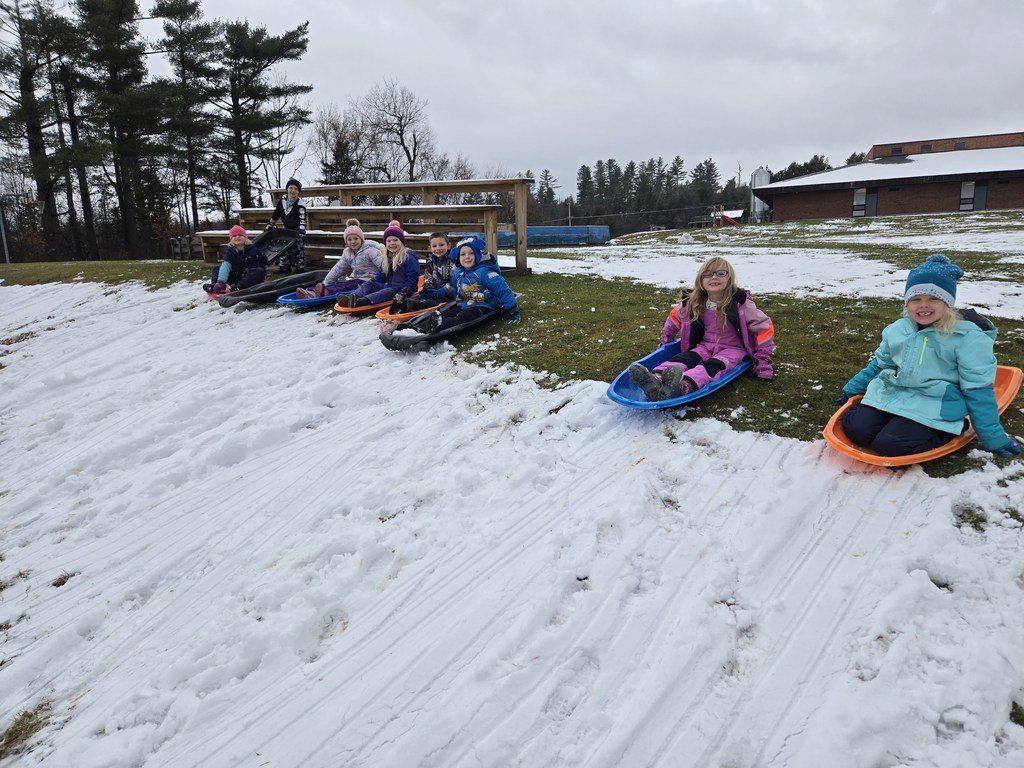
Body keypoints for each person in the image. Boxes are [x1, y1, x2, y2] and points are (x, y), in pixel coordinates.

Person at [839, 253, 1021, 457]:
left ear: (947, 303)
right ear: (907, 303)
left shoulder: (966, 338)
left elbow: (978, 390)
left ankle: (950, 429)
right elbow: (881, 365)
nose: (923, 305)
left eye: (934, 298)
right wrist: (852, 389)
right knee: (856, 430)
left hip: (935, 402)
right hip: (895, 393)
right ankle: (895, 423)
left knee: (889, 446)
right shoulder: (897, 330)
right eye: (916, 299)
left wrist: (993, 437)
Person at [628, 257, 774, 401]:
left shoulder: (740, 303)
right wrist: (666, 341)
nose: (714, 277)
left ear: (729, 279)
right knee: (686, 358)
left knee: (713, 366)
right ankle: (656, 379)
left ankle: (682, 387)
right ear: (701, 281)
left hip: (734, 349)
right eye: (708, 274)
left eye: (721, 273)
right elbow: (674, 318)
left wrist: (763, 360)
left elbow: (764, 328)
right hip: (705, 345)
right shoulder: (695, 302)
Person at [423, 236, 520, 332]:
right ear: (458, 257)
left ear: (477, 255)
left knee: (464, 317)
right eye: (463, 254)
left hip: (484, 305)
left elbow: (503, 290)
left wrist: (513, 311)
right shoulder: (458, 272)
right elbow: (456, 289)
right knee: (447, 312)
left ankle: (441, 326)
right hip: (464, 303)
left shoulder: (485, 272)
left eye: (471, 253)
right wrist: (457, 300)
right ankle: (420, 326)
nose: (467, 257)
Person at [335, 220, 419, 308]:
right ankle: (353, 297)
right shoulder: (387, 257)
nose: (392, 243)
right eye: (389, 241)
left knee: (386, 291)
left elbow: (412, 275)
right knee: (369, 284)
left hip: (403, 289)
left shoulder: (408, 256)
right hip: (390, 286)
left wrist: (407, 289)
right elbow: (380, 276)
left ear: (401, 242)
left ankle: (361, 301)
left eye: (395, 240)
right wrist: (373, 282)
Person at [295, 219, 383, 299]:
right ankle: (313, 293)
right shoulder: (348, 253)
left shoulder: (370, 251)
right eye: (349, 239)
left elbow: (383, 265)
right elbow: (338, 269)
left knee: (347, 287)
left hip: (369, 281)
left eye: (356, 238)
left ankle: (325, 292)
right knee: (344, 284)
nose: (353, 241)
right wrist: (327, 282)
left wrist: (385, 281)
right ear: (346, 241)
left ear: (361, 239)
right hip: (355, 279)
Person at [392, 232, 455, 314]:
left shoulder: (452, 261)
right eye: (434, 246)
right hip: (435, 292)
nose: (438, 248)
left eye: (441, 245)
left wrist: (439, 292)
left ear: (448, 245)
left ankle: (412, 306)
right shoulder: (431, 261)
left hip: (448, 295)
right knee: (420, 297)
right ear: (430, 248)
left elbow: (455, 282)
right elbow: (428, 278)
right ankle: (402, 303)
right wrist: (428, 290)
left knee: (433, 302)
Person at [203, 225, 267, 293]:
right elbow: (225, 266)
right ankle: (217, 286)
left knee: (258, 271)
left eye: (240, 235)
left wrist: (263, 273)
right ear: (231, 239)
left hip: (249, 279)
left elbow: (264, 261)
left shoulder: (254, 250)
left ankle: (238, 287)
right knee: (217, 269)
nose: (237, 237)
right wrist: (221, 281)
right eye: (234, 236)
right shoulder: (230, 253)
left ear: (245, 238)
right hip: (236, 277)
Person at [267, 177, 307, 274]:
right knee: (284, 248)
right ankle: (285, 266)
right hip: (287, 228)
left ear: (298, 192)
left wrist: (301, 230)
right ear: (287, 189)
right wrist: (271, 223)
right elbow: (276, 213)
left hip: (298, 229)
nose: (293, 191)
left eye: (296, 189)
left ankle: (299, 267)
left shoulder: (300, 204)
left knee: (298, 249)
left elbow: (302, 218)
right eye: (291, 188)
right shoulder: (282, 201)